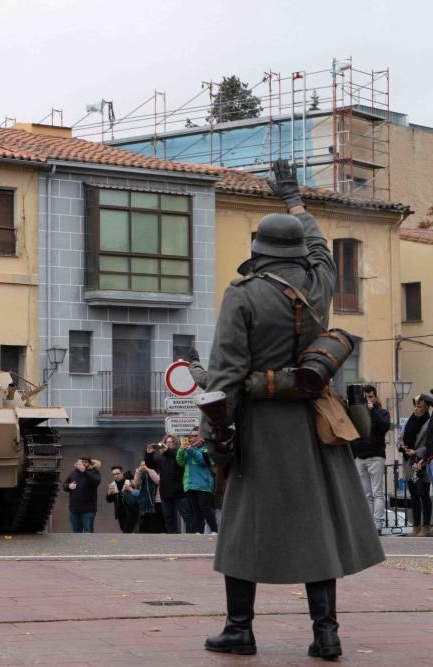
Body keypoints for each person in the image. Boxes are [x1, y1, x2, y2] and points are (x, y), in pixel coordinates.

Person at [201, 160, 384, 658]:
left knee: (242, 528)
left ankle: (240, 628)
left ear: (257, 251)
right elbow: (321, 246)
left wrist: (216, 435)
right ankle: (326, 633)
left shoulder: (241, 296)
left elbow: (224, 377)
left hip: (261, 428)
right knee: (318, 527)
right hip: (315, 424)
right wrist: (294, 199)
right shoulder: (319, 286)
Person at [350, 385, 391, 532]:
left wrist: (373, 410)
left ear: (376, 397)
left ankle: (377, 525)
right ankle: (369, 527)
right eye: (365, 397)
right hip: (361, 457)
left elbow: (384, 426)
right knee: (366, 494)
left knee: (377, 493)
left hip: (375, 457)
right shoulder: (357, 413)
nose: (368, 399)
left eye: (371, 396)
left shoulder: (382, 412)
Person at [401, 395, 432, 536]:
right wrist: (402, 447)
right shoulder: (409, 420)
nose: (416, 408)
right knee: (413, 495)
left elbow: (430, 444)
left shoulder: (429, 422)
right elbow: (400, 438)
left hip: (422, 461)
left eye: (419, 406)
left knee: (423, 494)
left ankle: (426, 527)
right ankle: (416, 527)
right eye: (415, 405)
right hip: (408, 461)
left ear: (425, 407)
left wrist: (417, 452)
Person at [177, 429, 216, 534]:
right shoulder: (189, 450)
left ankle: (214, 530)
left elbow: (203, 461)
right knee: (196, 510)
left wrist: (190, 450)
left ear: (202, 438)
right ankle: (198, 532)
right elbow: (180, 462)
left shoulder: (206, 449)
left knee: (205, 508)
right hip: (190, 484)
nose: (192, 438)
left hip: (204, 484)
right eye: (191, 436)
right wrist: (181, 449)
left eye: (195, 436)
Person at [155, 435, 193, 533]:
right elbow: (150, 464)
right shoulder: (161, 458)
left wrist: (168, 450)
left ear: (175, 443)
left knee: (187, 516)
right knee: (168, 517)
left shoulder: (179, 454)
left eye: (171, 442)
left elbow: (176, 457)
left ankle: (193, 536)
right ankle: (172, 538)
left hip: (179, 492)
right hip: (165, 493)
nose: (168, 444)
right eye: (167, 442)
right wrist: (148, 453)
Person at [62, 457, 101, 533]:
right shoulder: (73, 473)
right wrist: (68, 486)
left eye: (85, 462)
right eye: (81, 462)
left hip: (88, 510)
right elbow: (64, 485)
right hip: (74, 510)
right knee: (76, 533)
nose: (83, 464)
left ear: (89, 464)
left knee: (88, 533)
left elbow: (96, 482)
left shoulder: (94, 472)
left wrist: (85, 472)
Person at [134, 447, 163, 533]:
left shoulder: (158, 469)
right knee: (144, 522)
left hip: (157, 499)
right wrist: (138, 472)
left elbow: (158, 481)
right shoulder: (142, 471)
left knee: (156, 522)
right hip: (145, 499)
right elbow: (136, 483)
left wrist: (149, 470)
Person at [105, 465, 138, 533]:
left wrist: (118, 492)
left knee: (128, 532)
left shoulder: (128, 482)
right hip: (120, 513)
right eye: (113, 474)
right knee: (124, 531)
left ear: (122, 473)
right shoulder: (113, 484)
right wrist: (108, 494)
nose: (116, 476)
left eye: (117, 473)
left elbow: (129, 474)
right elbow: (109, 500)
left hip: (131, 512)